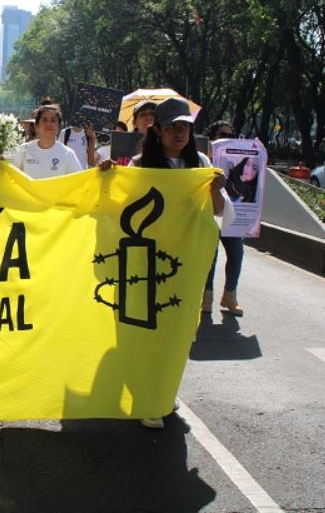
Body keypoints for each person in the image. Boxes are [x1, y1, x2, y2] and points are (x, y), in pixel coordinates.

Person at [128, 97, 232, 430]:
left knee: (179, 329)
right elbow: (120, 209)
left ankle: (165, 390)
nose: (179, 133)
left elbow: (220, 212)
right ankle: (147, 397)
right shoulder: (140, 165)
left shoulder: (200, 163)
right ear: (157, 130)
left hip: (185, 263)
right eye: (172, 127)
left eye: (184, 127)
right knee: (148, 330)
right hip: (147, 263)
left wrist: (215, 190)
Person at [203, 121, 245, 316]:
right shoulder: (203, 158)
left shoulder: (238, 158)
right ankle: (206, 298)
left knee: (236, 253)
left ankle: (230, 296)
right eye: (222, 135)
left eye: (230, 135)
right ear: (212, 137)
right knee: (210, 256)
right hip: (211, 211)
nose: (226, 139)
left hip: (232, 213)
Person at [13, 104, 82, 178]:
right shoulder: (24, 150)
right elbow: (11, 177)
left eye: (53, 120)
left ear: (59, 127)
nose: (49, 124)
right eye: (44, 120)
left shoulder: (67, 154)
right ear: (37, 125)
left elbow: (81, 180)